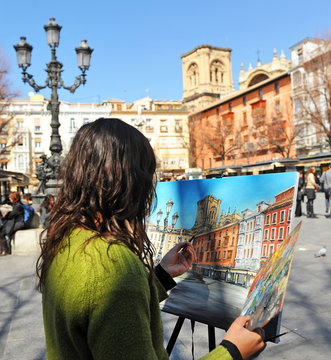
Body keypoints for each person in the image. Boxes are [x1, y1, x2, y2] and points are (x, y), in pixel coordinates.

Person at [36, 118, 265, 360]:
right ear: (132, 181)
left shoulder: (67, 237)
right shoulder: (112, 264)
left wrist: (162, 276)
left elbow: (104, 309)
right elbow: (113, 294)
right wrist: (232, 351)